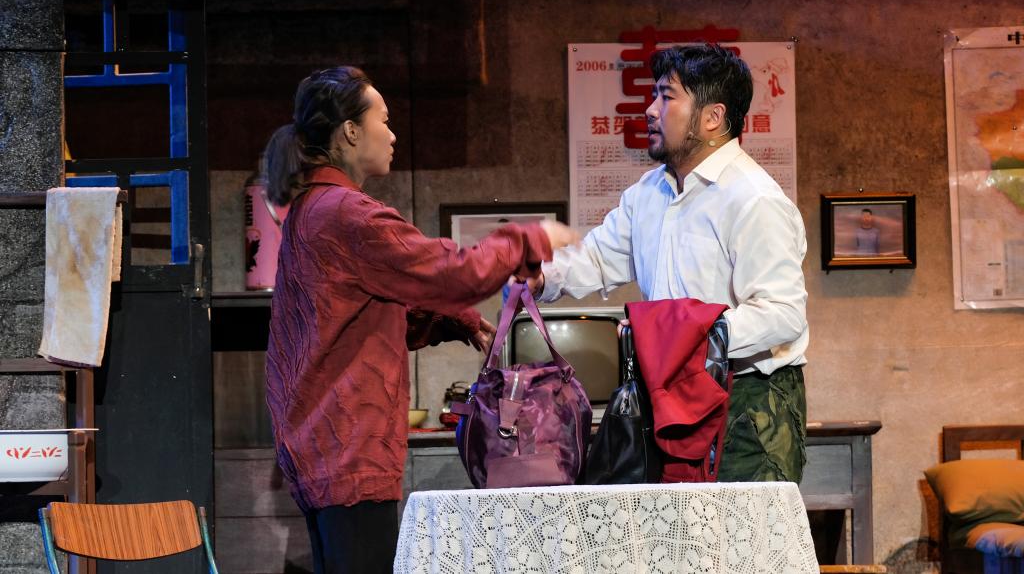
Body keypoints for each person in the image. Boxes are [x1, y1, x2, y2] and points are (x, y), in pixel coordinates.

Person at [263, 66, 579, 574]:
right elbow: (454, 272)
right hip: (348, 448)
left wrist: (454, 321)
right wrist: (531, 238)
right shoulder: (347, 214)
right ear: (350, 131)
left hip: (323, 446)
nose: (392, 135)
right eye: (383, 120)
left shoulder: (313, 210)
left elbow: (352, 315)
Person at [534, 44, 809, 483]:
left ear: (713, 117)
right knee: (669, 528)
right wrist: (537, 276)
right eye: (653, 95)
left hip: (747, 404)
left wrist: (676, 335)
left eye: (666, 96)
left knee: (737, 531)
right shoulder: (649, 192)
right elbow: (599, 258)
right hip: (667, 395)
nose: (650, 109)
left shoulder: (753, 198)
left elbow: (783, 314)